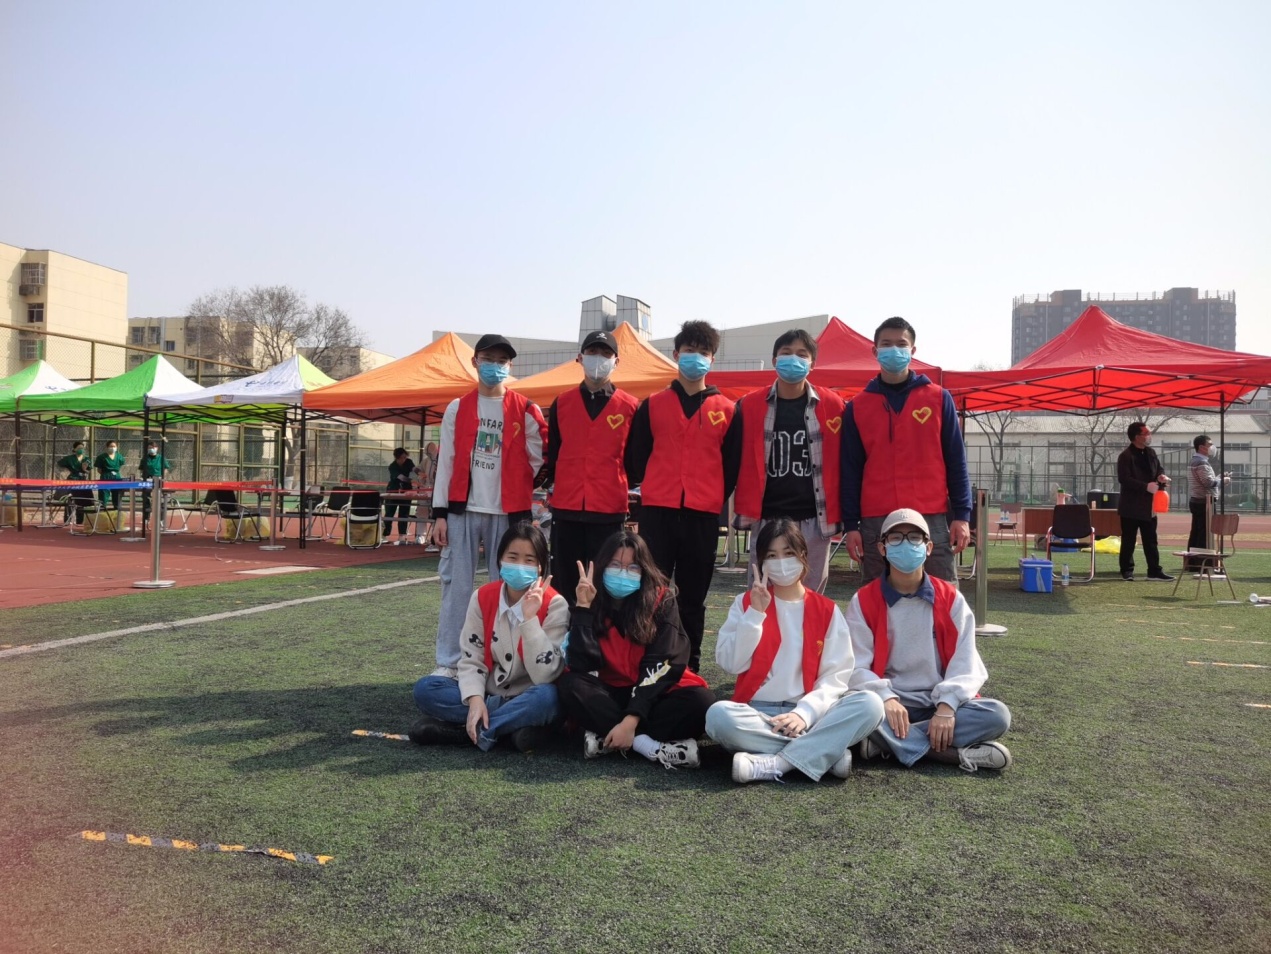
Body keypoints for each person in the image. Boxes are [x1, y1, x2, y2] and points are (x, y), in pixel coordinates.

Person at [705, 518, 884, 784]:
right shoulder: (745, 603)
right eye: (771, 556)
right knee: (718, 716)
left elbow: (835, 677)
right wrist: (755, 614)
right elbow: (730, 663)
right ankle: (824, 753)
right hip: (758, 713)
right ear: (760, 563)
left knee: (871, 704)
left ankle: (778, 763)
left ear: (803, 555)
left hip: (811, 714)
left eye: (788, 553)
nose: (781, 562)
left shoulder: (826, 610)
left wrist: (804, 713)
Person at [846, 508, 1013, 772]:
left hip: (936, 705)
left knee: (997, 715)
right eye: (895, 538)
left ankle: (884, 743)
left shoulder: (950, 598)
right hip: (885, 706)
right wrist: (887, 698)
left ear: (928, 547)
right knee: (847, 708)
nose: (906, 544)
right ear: (882, 548)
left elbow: (966, 661)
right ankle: (952, 755)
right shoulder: (863, 600)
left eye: (915, 538)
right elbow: (854, 666)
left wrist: (946, 707)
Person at [625, 320, 741, 671]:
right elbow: (636, 458)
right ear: (676, 354)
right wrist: (659, 485)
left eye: (703, 352)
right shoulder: (652, 405)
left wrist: (708, 496)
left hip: (701, 518)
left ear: (712, 359)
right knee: (650, 593)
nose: (696, 357)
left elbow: (731, 466)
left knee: (693, 598)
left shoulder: (728, 409)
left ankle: (689, 665)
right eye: (689, 351)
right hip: (657, 514)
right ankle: (646, 660)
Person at [430, 334, 547, 678]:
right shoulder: (457, 407)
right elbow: (446, 462)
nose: (495, 366)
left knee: (510, 589)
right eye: (488, 359)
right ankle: (450, 662)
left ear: (510, 366)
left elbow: (541, 457)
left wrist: (520, 487)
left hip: (509, 514)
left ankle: (505, 661)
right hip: (461, 511)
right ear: (475, 361)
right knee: (456, 589)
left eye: (501, 361)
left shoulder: (526, 408)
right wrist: (439, 514)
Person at [557, 530, 716, 769]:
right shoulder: (591, 598)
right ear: (603, 566)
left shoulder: (662, 599)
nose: (623, 573)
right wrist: (582, 609)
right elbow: (581, 663)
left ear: (644, 570)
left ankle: (611, 737)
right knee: (571, 685)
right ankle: (647, 745)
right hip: (611, 692)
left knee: (702, 702)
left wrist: (631, 720)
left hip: (653, 692)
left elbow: (663, 662)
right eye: (615, 565)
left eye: (633, 567)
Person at [410, 523, 568, 752]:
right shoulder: (483, 597)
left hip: (530, 695)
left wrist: (529, 620)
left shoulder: (555, 604)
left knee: (549, 698)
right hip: (489, 693)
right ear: (500, 559)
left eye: (529, 560)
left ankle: (467, 733)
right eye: (512, 557)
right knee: (426, 688)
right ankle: (507, 726)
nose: (519, 565)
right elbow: (471, 657)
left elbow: (545, 675)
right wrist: (475, 699)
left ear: (540, 566)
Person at [839, 317, 972, 583]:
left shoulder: (938, 398)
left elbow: (956, 460)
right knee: (877, 594)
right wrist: (850, 525)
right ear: (875, 351)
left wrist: (962, 516)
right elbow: (850, 470)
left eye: (901, 344)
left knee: (942, 592)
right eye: (886, 344)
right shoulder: (857, 406)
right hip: (876, 517)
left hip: (930, 514)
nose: (894, 350)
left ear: (913, 350)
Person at [733, 329, 845, 593]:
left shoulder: (834, 405)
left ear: (812, 364)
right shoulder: (749, 405)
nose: (793, 359)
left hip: (814, 519)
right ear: (774, 360)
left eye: (802, 354)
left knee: (810, 595)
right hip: (766, 517)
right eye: (786, 353)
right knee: (762, 591)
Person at [541, 329, 639, 605]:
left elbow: (634, 461)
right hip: (567, 508)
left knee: (605, 584)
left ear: (616, 361)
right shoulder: (562, 403)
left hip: (609, 510)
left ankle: (601, 632)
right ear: (580, 358)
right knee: (564, 584)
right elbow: (554, 454)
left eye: (606, 353)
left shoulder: (631, 406)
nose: (599, 358)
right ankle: (563, 631)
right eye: (593, 352)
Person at [1116, 422, 1174, 582]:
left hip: (1149, 505)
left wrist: (1161, 476)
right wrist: (1145, 486)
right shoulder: (1126, 456)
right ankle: (1127, 570)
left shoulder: (1150, 452)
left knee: (1151, 540)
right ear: (1137, 437)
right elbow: (1124, 479)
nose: (1149, 436)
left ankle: (1154, 571)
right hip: (1131, 505)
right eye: (1146, 433)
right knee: (1129, 540)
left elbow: (1158, 468)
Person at [1186, 435, 1230, 572]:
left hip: (1197, 500)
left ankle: (1192, 562)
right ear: (1201, 447)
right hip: (1205, 501)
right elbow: (1208, 483)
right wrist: (1223, 481)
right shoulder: (1201, 462)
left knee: (1196, 532)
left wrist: (1218, 478)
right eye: (1209, 444)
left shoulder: (1195, 461)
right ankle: (1203, 563)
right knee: (1204, 533)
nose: (1212, 447)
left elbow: (1207, 480)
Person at [384, 447, 417, 543]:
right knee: (389, 513)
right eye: (402, 457)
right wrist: (412, 481)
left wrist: (420, 473)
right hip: (393, 491)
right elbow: (401, 477)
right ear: (396, 457)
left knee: (404, 513)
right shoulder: (392, 466)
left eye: (405, 457)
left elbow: (414, 468)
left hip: (406, 491)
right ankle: (385, 534)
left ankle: (402, 535)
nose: (404, 459)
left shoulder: (408, 462)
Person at [138, 438, 171, 530]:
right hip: (147, 479)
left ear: (156, 448)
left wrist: (163, 477)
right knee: (146, 497)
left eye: (152, 447)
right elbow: (141, 469)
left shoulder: (161, 458)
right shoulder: (145, 458)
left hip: (158, 479)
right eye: (149, 448)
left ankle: (161, 519)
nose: (151, 449)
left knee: (161, 499)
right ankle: (146, 517)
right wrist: (143, 477)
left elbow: (166, 468)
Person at [56, 441, 92, 523]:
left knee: (81, 501)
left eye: (82, 448)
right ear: (74, 449)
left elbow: (88, 470)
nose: (81, 450)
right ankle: (67, 520)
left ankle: (80, 521)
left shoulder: (86, 459)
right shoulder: (70, 458)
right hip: (72, 480)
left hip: (82, 480)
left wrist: (84, 470)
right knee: (70, 499)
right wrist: (63, 471)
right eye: (79, 448)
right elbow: (59, 464)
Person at [93, 440, 125, 510]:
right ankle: (102, 508)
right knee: (104, 494)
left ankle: (117, 509)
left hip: (116, 477)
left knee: (117, 493)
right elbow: (99, 469)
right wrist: (106, 474)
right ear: (107, 447)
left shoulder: (119, 456)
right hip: (105, 477)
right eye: (111, 446)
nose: (113, 448)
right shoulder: (101, 457)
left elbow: (120, 465)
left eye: (114, 446)